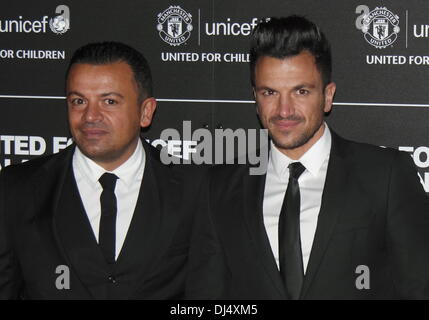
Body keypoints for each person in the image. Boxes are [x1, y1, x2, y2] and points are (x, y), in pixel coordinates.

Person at [202, 16, 429, 299]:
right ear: (255, 99)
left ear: (327, 96)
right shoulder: (219, 187)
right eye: (270, 92)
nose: (284, 110)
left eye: (301, 91)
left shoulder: (385, 176)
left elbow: (419, 286)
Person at [0, 41, 206, 299]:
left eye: (109, 101)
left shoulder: (195, 190)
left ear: (146, 112)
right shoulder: (16, 189)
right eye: (78, 101)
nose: (90, 116)